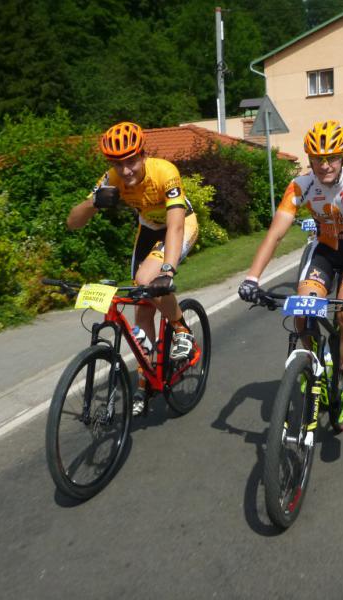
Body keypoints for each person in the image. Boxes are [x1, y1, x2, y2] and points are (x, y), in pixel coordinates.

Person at [238, 120, 343, 431]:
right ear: (308, 158)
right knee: (302, 308)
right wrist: (252, 278)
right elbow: (275, 234)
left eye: (332, 157)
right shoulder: (300, 185)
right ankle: (309, 364)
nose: (325, 166)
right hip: (324, 250)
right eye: (318, 158)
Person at [67, 121, 199, 416]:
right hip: (150, 228)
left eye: (131, 161)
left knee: (146, 279)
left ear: (142, 155)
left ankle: (181, 330)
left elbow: (176, 224)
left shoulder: (164, 172)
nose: (126, 170)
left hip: (181, 224)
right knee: (142, 306)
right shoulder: (111, 178)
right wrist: (93, 203)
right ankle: (147, 379)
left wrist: (167, 270)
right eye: (117, 163)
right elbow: (72, 222)